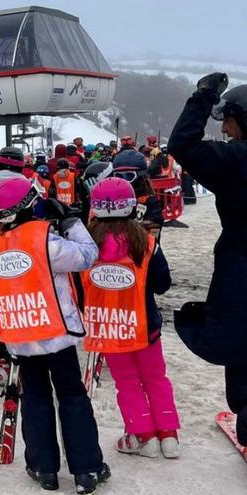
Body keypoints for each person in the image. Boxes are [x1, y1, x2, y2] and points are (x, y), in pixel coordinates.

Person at [0, 176, 109, 494]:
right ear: (28, 205)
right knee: (73, 398)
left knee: (36, 401)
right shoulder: (46, 239)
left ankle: (43, 467)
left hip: (20, 337)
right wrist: (70, 221)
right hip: (55, 333)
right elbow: (87, 255)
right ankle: (86, 469)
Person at [168, 72, 247, 445]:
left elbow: (183, 144)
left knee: (239, 343)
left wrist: (203, 97)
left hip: (241, 266)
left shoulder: (236, 160)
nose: (226, 130)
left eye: (228, 120)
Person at [83, 177, 180, 458]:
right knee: (156, 377)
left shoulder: (88, 244)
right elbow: (163, 283)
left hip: (109, 326)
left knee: (127, 382)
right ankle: (168, 433)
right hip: (144, 324)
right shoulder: (146, 242)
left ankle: (143, 434)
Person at [111, 150, 164, 231]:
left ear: (141, 177)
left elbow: (155, 229)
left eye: (129, 176)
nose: (124, 182)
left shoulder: (148, 201)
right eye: (119, 176)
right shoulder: (111, 199)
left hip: (139, 241)